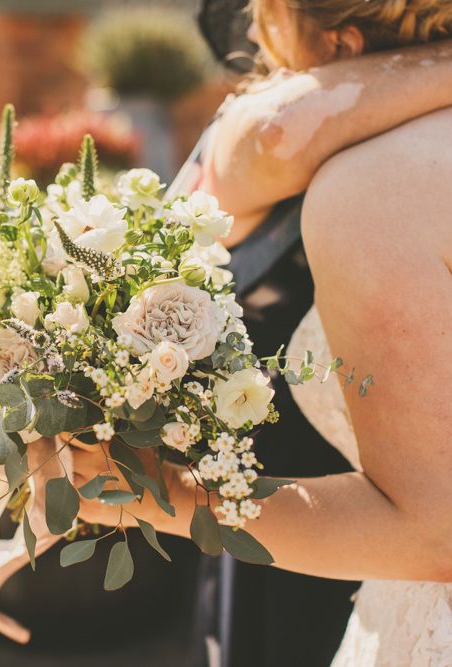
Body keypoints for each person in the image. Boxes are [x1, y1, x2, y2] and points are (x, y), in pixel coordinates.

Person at [72, 1, 452, 664]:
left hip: (340, 544)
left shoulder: (367, 187)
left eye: (263, 12)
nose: (248, 32)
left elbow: (436, 535)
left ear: (341, 39)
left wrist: (150, 490)